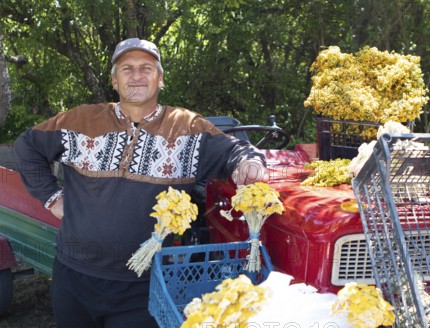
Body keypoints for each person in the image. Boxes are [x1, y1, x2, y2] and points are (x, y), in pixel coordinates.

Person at [14, 38, 266, 327]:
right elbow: (27, 146)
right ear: (114, 80)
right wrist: (52, 198)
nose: (136, 76)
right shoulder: (80, 119)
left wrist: (249, 164)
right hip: (74, 277)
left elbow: (238, 150)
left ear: (160, 80)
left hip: (144, 286)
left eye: (146, 68)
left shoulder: (187, 126)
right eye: (127, 69)